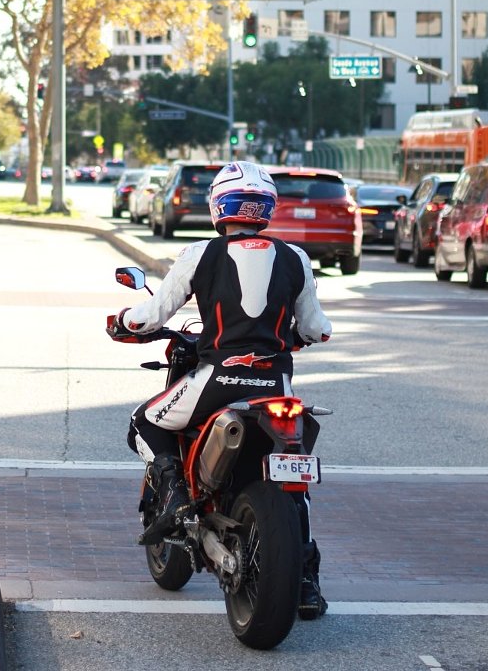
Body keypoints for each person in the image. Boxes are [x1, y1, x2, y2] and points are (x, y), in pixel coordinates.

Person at [109, 161, 332, 619]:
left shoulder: (200, 254)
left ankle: (173, 497)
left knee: (144, 421)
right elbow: (315, 328)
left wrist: (123, 323)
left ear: (218, 205)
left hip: (216, 382)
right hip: (277, 389)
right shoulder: (295, 258)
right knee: (292, 478)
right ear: (267, 207)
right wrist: (297, 337)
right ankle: (306, 581)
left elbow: (154, 314)